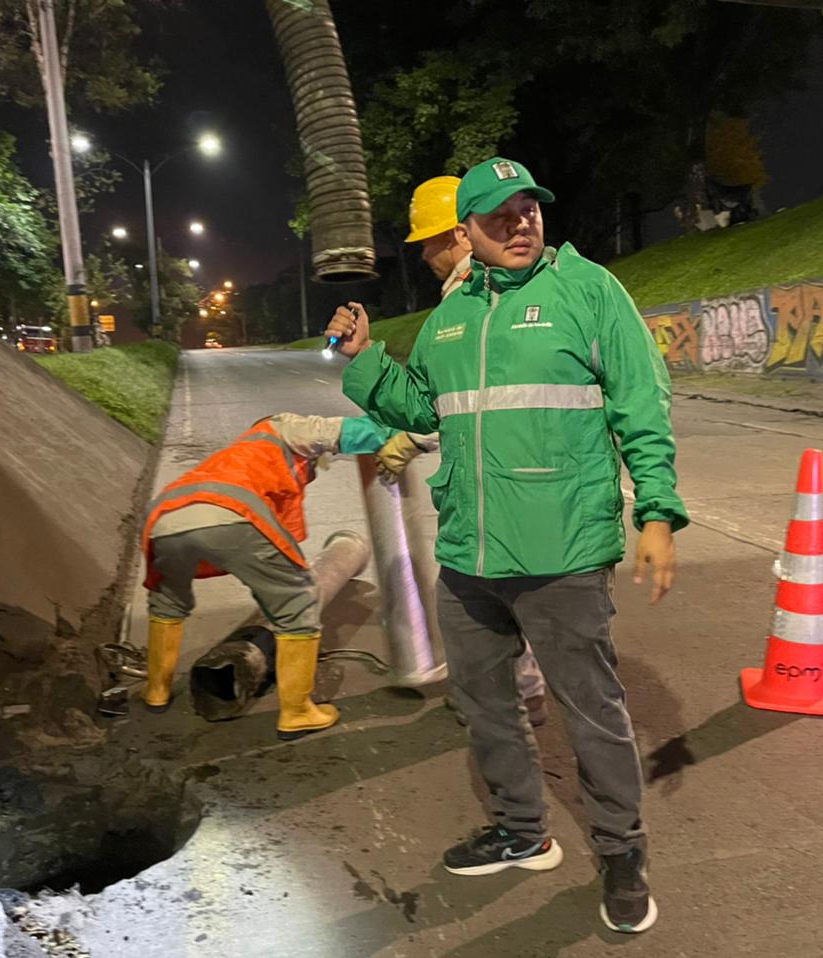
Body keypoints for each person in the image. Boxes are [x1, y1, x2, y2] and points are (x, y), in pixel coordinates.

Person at [324, 157, 688, 934]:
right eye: (501, 217)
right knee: (485, 705)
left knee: (592, 715)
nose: (521, 225)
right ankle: (523, 832)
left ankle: (623, 854)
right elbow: (421, 406)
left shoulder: (588, 292)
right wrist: (363, 365)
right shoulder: (452, 319)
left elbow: (641, 402)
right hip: (470, 557)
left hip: (562, 554)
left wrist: (656, 512)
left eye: (530, 210)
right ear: (469, 232)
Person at [387, 173, 548, 728]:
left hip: (505, 479)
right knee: (509, 592)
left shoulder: (475, 294)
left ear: (459, 236)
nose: (424, 253)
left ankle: (515, 697)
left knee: (493, 594)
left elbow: (480, 394)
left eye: (429, 240)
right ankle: (518, 690)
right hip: (518, 477)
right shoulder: (487, 288)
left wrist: (409, 436)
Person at [140, 413, 411, 741]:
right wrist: (406, 434)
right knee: (298, 604)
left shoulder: (241, 454)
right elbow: (352, 431)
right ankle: (298, 713)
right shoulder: (282, 427)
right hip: (229, 512)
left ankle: (156, 691)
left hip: (165, 518)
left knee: (168, 603)